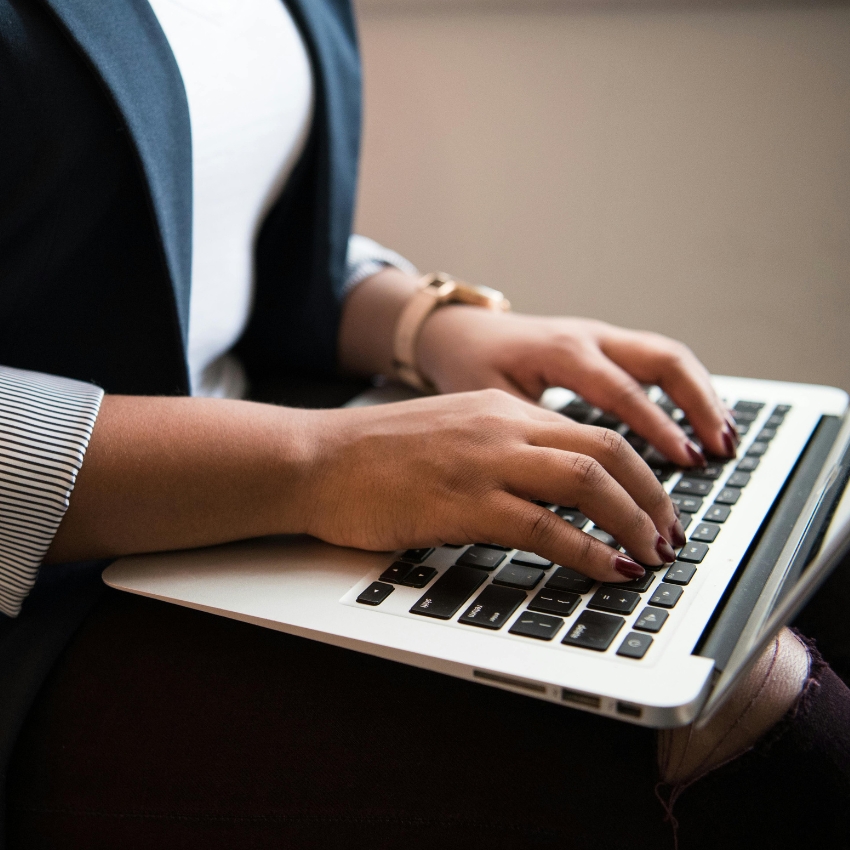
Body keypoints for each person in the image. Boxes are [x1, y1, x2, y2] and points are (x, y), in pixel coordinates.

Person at [0, 0, 847, 847]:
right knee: (751, 711)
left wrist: (426, 323)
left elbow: (209, 227)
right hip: (51, 606)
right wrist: (317, 463)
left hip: (264, 482)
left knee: (803, 548)